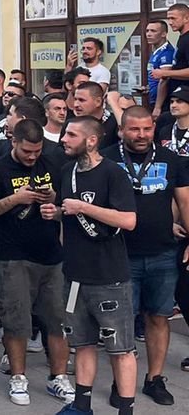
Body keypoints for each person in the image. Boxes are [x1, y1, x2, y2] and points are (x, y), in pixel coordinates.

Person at [40, 117, 138, 415]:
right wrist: (56, 213)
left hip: (109, 276)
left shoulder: (113, 174)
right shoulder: (67, 170)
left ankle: (126, 409)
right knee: (81, 343)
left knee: (120, 349)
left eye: (71, 135)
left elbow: (128, 220)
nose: (64, 139)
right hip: (75, 274)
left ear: (92, 140)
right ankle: (81, 406)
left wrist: (82, 207)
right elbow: (71, 213)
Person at [101, 106, 188, 406]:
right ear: (122, 130)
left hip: (163, 253)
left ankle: (154, 379)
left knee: (158, 317)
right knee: (122, 323)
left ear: (154, 128)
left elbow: (186, 202)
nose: (141, 135)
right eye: (134, 129)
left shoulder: (171, 159)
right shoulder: (107, 157)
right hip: (118, 254)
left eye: (147, 129)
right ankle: (120, 382)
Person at [0, 120, 73, 406]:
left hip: (50, 255)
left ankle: (58, 377)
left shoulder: (52, 163)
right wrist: (15, 199)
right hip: (12, 257)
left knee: (57, 321)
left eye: (36, 151)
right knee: (16, 321)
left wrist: (53, 201)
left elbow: (65, 205)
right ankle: (18, 378)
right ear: (14, 142)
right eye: (26, 151)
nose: (32, 157)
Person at [146, 21, 175, 111]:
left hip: (163, 103)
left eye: (153, 31)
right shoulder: (156, 51)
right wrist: (148, 87)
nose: (149, 34)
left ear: (163, 34)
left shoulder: (166, 52)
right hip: (153, 98)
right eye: (147, 31)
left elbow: (164, 80)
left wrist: (158, 107)